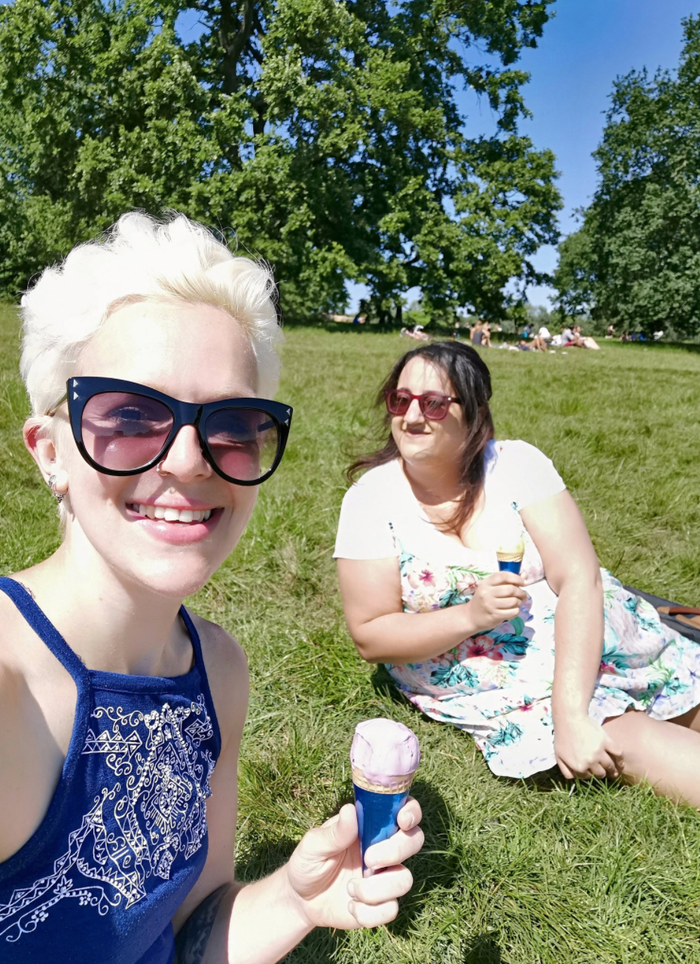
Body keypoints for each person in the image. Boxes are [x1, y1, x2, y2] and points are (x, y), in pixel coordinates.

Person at [0, 213, 423, 963]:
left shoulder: (217, 673)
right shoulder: (9, 687)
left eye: (232, 423)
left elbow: (194, 931)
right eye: (129, 415)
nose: (192, 461)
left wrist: (293, 899)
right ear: (50, 451)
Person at [334, 341, 700, 808]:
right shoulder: (371, 499)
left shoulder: (515, 465)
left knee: (699, 691)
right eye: (401, 400)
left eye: (434, 403)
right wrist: (472, 617)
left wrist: (570, 709)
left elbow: (578, 576)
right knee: (627, 737)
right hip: (498, 677)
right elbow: (372, 636)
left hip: (592, 633)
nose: (412, 417)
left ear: (473, 411)